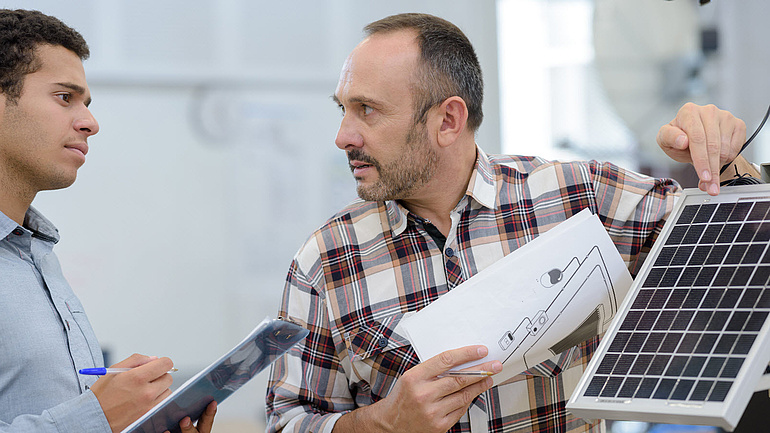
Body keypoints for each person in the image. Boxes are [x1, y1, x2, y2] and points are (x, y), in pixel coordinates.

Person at [265, 12, 752, 433]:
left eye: (366, 110)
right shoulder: (324, 261)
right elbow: (288, 421)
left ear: (448, 121)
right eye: (344, 109)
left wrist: (721, 158)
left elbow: (745, 249)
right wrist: (383, 423)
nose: (343, 136)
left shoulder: (579, 197)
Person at [0, 9, 216, 433]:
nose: (90, 123)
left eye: (86, 104)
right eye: (65, 97)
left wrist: (132, 420)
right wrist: (96, 417)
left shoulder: (35, 254)